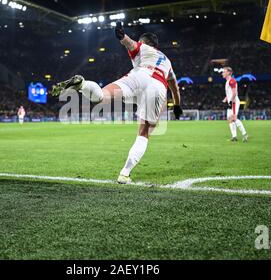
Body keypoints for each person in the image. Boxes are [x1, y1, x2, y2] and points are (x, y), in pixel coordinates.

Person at [51, 22, 183, 184]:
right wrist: (177, 105)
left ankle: (82, 85)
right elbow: (175, 88)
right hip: (157, 86)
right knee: (145, 132)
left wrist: (122, 36)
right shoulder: (167, 62)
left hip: (138, 76)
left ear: (146, 43)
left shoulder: (142, 47)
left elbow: (131, 43)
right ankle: (125, 173)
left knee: (102, 95)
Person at [222, 67, 248, 142]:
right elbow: (229, 93)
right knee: (229, 119)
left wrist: (231, 101)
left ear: (229, 73)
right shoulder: (227, 82)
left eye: (224, 72)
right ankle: (234, 136)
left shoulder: (232, 81)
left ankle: (244, 134)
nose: (222, 73)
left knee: (234, 118)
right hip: (230, 102)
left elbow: (234, 92)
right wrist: (226, 98)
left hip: (234, 102)